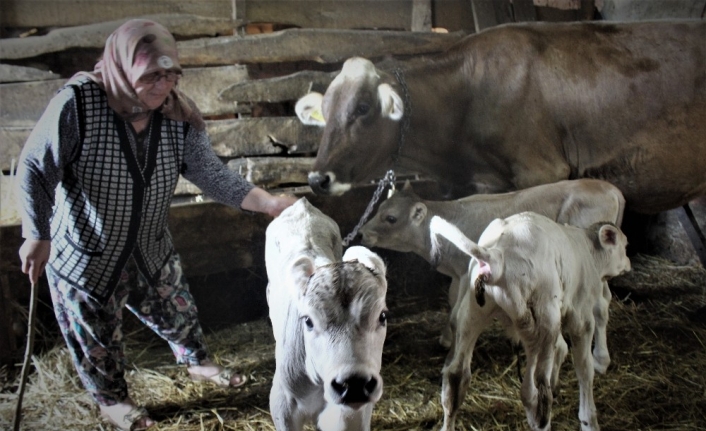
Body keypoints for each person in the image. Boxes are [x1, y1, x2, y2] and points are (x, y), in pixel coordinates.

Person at [16, 18, 297, 430]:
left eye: (171, 74)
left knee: (176, 306)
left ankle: (196, 362)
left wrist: (269, 203)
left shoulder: (176, 116)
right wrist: (35, 234)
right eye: (151, 75)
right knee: (96, 337)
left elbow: (211, 174)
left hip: (149, 246)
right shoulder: (78, 105)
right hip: (86, 253)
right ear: (122, 69)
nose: (163, 85)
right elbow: (36, 168)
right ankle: (113, 400)